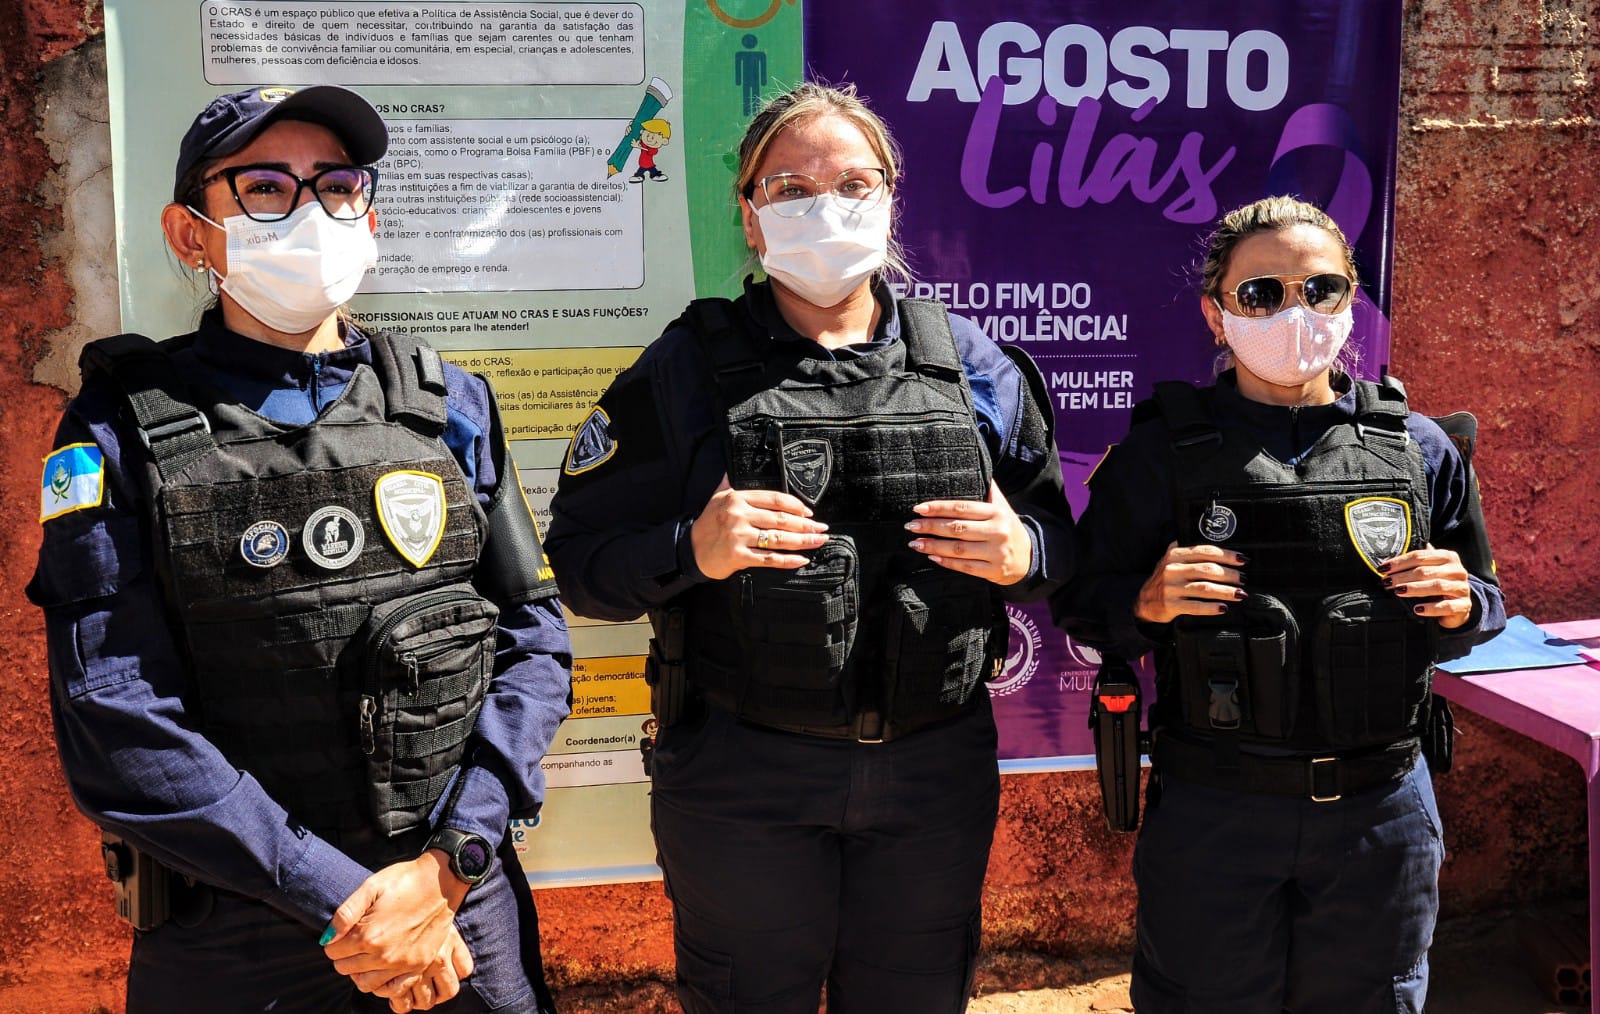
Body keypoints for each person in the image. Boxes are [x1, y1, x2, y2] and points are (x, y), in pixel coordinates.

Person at [27, 85, 571, 1013]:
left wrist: (453, 863)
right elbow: (114, 713)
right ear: (191, 232)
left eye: (337, 185)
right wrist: (341, 898)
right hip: (243, 929)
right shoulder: (117, 427)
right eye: (266, 187)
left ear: (370, 210)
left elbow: (533, 643)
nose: (312, 211)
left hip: (454, 909)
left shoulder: (452, 407)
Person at [545, 82, 1075, 1013]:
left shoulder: (970, 366)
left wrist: (1022, 552)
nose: (823, 206)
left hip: (932, 776)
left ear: (889, 199)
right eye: (789, 189)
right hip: (745, 781)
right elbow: (582, 563)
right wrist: (690, 547)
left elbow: (1066, 548)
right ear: (751, 221)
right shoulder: (685, 369)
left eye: (852, 183)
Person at [1052, 195, 1506, 1013]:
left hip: (1381, 811)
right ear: (1216, 314)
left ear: (1352, 297)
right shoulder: (1159, 454)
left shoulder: (1419, 448)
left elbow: (1484, 606)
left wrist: (1460, 603)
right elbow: (1083, 604)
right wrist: (1146, 603)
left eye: (1321, 290)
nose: (1295, 312)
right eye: (1262, 294)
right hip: (1216, 812)